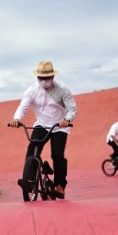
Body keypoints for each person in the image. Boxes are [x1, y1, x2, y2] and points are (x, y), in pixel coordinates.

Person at [10, 61, 77, 199]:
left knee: (57, 155)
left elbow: (72, 108)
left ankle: (60, 186)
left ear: (52, 76)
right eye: (41, 78)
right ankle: (29, 181)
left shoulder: (62, 89)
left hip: (59, 126)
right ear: (37, 77)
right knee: (32, 149)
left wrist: (67, 120)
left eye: (47, 78)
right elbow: (23, 106)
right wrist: (17, 119)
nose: (44, 81)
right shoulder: (32, 91)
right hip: (41, 124)